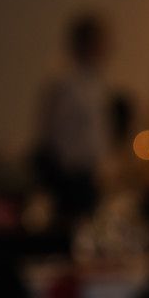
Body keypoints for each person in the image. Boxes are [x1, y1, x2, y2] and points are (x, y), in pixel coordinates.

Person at [34, 14, 112, 221]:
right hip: (71, 176)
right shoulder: (65, 83)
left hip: (89, 173)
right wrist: (66, 171)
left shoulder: (95, 82)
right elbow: (56, 130)